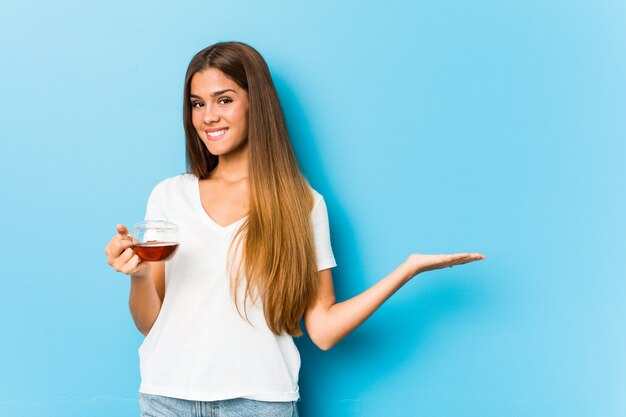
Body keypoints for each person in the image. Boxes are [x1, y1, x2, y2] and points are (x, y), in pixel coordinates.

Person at [104, 41, 485, 417]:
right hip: (166, 398)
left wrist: (409, 268)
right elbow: (149, 323)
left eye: (224, 100)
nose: (208, 117)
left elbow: (323, 329)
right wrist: (138, 276)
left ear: (257, 103)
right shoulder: (169, 197)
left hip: (259, 403)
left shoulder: (301, 204)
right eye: (197, 104)